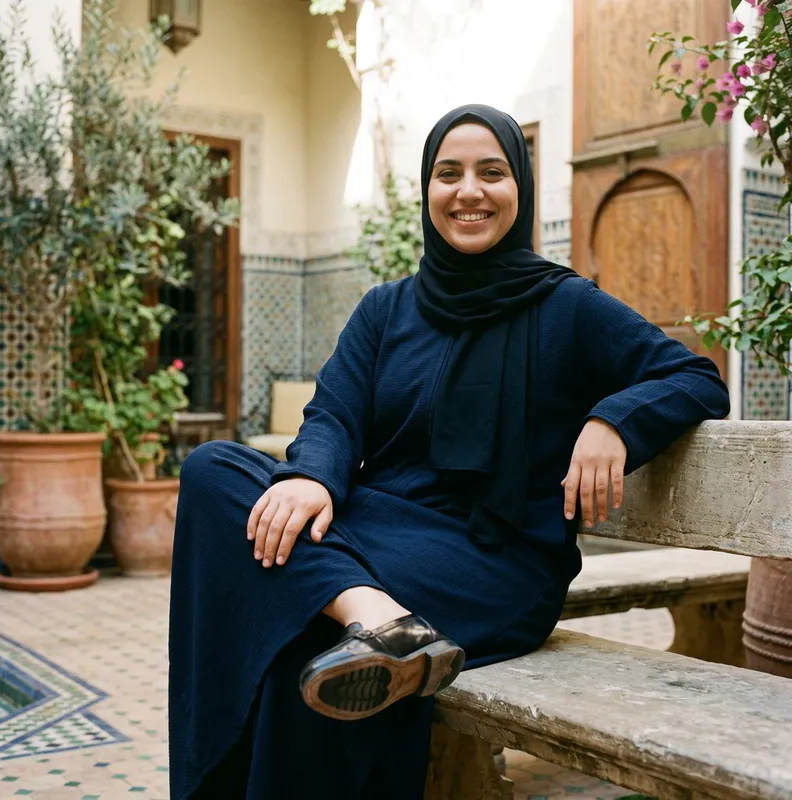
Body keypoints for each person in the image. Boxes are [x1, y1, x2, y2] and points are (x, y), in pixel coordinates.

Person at [168, 104, 730, 799]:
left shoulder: (566, 307)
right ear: (428, 191)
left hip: (493, 560)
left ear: (518, 188)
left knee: (301, 650)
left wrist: (613, 420)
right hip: (377, 537)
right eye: (448, 173)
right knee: (212, 469)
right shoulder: (387, 309)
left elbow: (694, 377)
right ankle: (378, 618)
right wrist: (313, 476)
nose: (469, 191)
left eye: (491, 172)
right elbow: (334, 416)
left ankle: (376, 621)